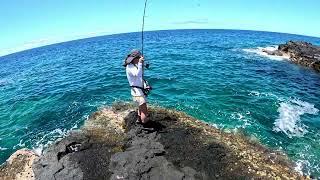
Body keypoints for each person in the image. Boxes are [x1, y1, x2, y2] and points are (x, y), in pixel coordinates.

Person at [123, 49, 150, 125]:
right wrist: (141, 63)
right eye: (139, 58)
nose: (139, 59)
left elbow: (139, 75)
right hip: (138, 93)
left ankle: (139, 120)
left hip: (136, 91)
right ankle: (145, 124)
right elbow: (138, 74)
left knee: (140, 107)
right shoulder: (130, 67)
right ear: (135, 58)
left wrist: (141, 64)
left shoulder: (133, 65)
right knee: (144, 110)